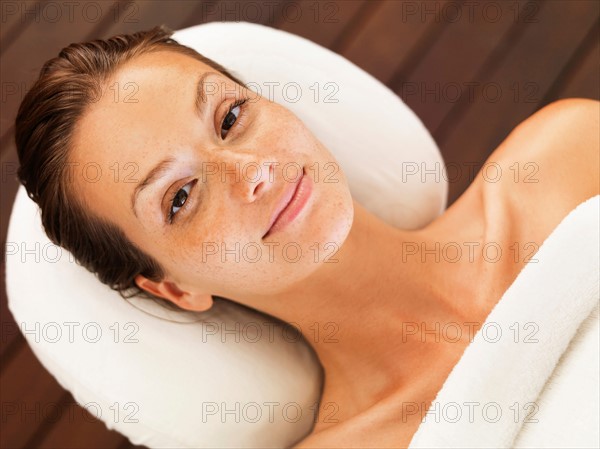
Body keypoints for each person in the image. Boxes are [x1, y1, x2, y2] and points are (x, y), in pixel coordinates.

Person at [15, 25, 599, 448]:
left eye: (229, 118)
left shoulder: (569, 158)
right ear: (173, 289)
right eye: (181, 197)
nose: (252, 172)